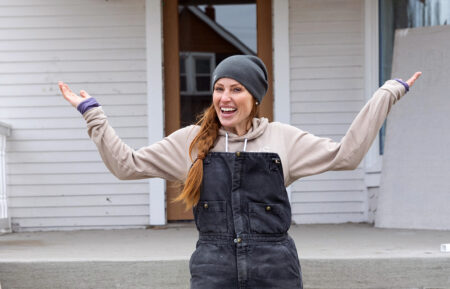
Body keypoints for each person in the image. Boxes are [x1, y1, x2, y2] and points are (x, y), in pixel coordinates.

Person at [59, 55, 421, 289]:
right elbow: (127, 166)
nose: (224, 97)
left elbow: (348, 155)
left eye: (236, 89)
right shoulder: (191, 141)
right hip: (212, 270)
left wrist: (387, 94)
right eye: (219, 88)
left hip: (275, 270)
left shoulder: (284, 139)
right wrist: (93, 113)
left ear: (255, 97)